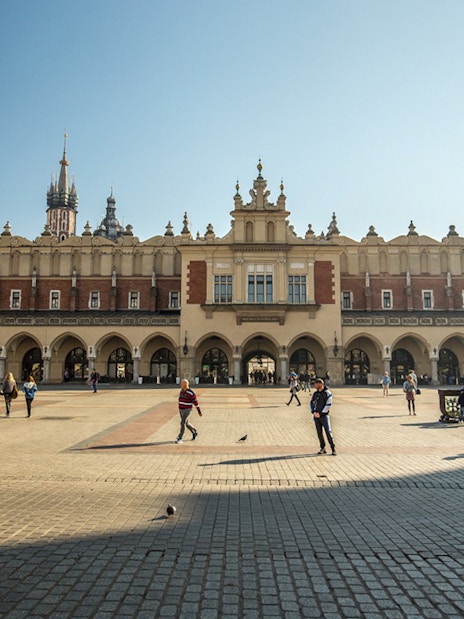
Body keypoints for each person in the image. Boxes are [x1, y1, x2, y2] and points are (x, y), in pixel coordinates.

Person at [310, 378, 336, 455]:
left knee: (328, 432)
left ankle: (333, 448)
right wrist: (313, 412)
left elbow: (328, 404)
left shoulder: (327, 393)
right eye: (315, 384)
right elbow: (312, 403)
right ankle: (322, 448)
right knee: (319, 433)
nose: (315, 385)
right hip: (316, 416)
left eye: (317, 384)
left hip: (324, 416)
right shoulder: (315, 394)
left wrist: (321, 413)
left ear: (321, 384)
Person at [175, 379, 203, 444]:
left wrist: (199, 411)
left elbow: (196, 403)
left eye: (182, 384)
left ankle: (180, 437)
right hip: (181, 409)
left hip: (187, 409)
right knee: (186, 423)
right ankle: (194, 432)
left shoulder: (191, 393)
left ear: (185, 385)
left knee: (182, 422)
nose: (180, 385)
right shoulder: (181, 391)